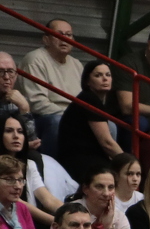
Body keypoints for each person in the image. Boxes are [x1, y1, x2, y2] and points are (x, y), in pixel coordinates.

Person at [19, 20, 82, 152]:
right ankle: (49, 163)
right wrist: (71, 118)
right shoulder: (34, 59)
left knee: (109, 125)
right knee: (57, 122)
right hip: (42, 117)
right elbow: (37, 103)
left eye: (68, 35)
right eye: (59, 34)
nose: (64, 39)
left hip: (72, 117)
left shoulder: (77, 64)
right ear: (46, 39)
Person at [56, 60, 124, 181]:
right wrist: (127, 163)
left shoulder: (96, 100)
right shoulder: (89, 99)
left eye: (108, 75)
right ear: (87, 81)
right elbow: (107, 143)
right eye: (98, 75)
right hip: (79, 161)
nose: (105, 79)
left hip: (88, 158)